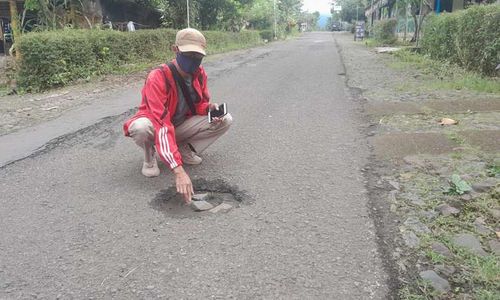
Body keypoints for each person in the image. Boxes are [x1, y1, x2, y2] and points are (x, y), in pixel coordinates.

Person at [123, 28, 233, 203]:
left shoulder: (199, 74)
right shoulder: (157, 77)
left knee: (225, 119)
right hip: (156, 126)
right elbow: (162, 123)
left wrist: (208, 108)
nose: (193, 61)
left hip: (180, 125)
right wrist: (178, 170)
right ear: (175, 49)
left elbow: (197, 105)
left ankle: (183, 149)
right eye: (188, 54)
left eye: (198, 57)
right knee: (141, 127)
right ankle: (150, 156)